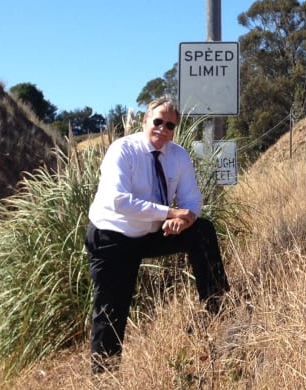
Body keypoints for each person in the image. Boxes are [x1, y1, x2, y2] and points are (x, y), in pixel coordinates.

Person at [84, 96, 229, 374]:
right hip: (113, 235)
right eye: (158, 121)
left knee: (202, 231)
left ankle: (217, 310)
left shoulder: (178, 155)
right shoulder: (123, 150)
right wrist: (169, 213)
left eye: (170, 125)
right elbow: (119, 201)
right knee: (112, 311)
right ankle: (104, 382)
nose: (163, 129)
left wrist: (184, 221)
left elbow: (193, 201)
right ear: (145, 121)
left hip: (152, 232)